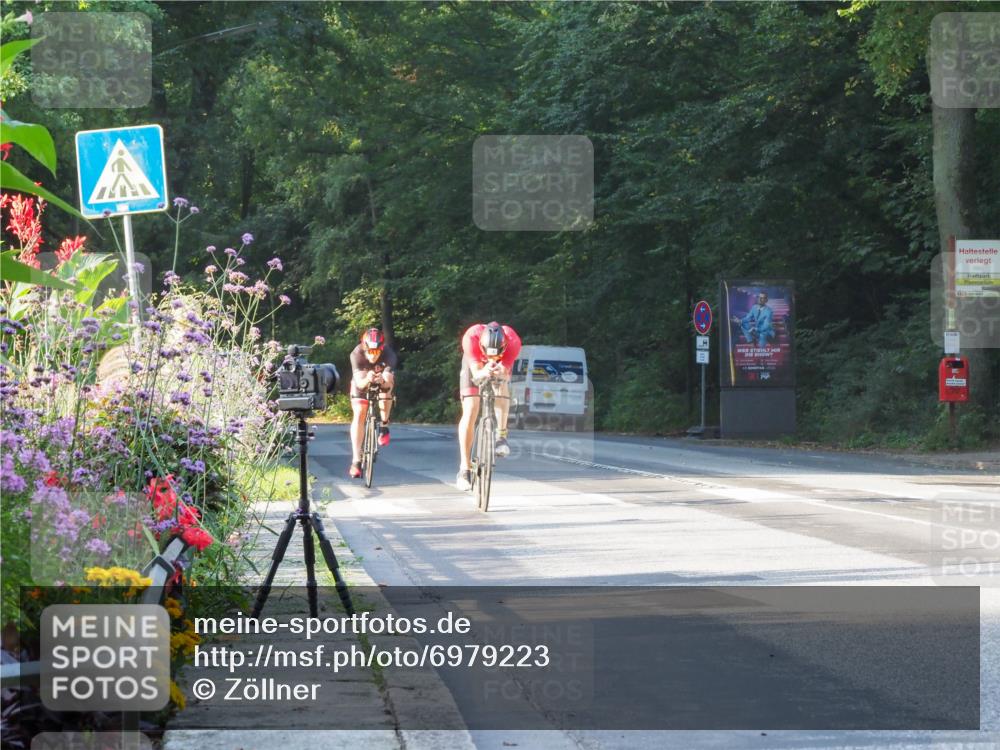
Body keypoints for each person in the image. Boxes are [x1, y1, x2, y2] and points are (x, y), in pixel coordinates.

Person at [456, 321, 522, 491]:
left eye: (496, 355)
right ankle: (465, 468)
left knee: (501, 385)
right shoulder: (471, 338)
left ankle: (501, 436)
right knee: (471, 407)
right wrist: (483, 371)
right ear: (481, 345)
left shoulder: (513, 341)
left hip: (502, 364)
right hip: (474, 364)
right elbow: (477, 375)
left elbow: (505, 374)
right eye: (489, 354)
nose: (492, 358)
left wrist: (501, 371)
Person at [348, 327, 398, 479]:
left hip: (381, 376)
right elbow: (359, 383)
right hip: (362, 378)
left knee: (387, 388)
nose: (373, 355)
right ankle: (356, 460)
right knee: (359, 412)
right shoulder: (356, 354)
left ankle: (384, 425)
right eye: (370, 351)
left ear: (382, 349)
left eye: (376, 352)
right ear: (364, 347)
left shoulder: (389, 354)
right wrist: (367, 379)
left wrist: (382, 380)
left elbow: (388, 382)